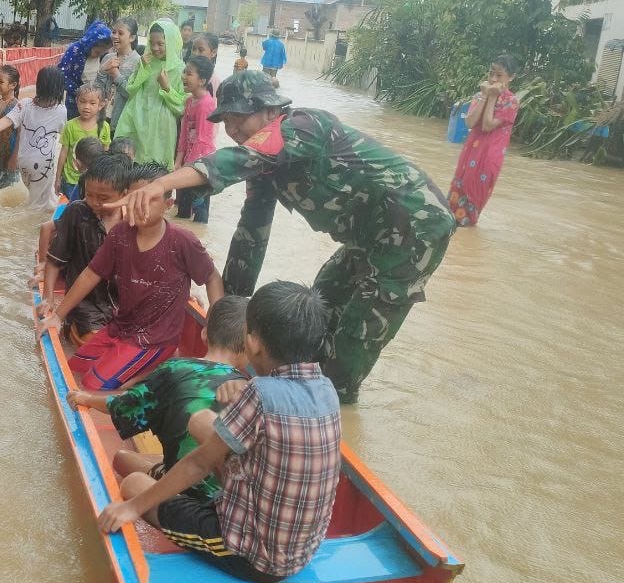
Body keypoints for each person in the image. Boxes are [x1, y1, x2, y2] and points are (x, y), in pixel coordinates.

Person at [109, 72, 455, 403]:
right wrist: (230, 316)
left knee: (357, 331)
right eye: (225, 123)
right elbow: (251, 236)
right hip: (366, 236)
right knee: (319, 302)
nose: (232, 131)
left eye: (239, 120)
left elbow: (235, 160)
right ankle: (301, 384)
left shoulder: (303, 126)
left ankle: (337, 399)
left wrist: (161, 183)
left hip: (414, 226)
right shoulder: (264, 168)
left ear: (271, 110)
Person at [96, 280, 341, 583]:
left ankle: (150, 480)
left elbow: (198, 464)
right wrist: (248, 388)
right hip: (302, 550)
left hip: (251, 556)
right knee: (201, 421)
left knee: (133, 484)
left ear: (252, 343)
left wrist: (132, 508)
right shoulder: (326, 390)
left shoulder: (261, 394)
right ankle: (157, 471)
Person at [46, 163, 224, 390]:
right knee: (75, 370)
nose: (139, 206)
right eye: (133, 198)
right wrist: (58, 316)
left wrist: (215, 328)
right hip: (121, 327)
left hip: (155, 339)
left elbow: (212, 277)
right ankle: (149, 370)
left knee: (91, 384)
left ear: (168, 205)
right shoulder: (120, 235)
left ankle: (157, 369)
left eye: (149, 199)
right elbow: (91, 274)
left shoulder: (183, 241)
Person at [66, 295, 251, 502]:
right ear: (251, 347)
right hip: (232, 498)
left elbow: (121, 405)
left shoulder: (175, 369)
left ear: (204, 334)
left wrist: (87, 399)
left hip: (188, 495)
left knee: (121, 460)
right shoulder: (251, 390)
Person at [42, 153, 131, 344]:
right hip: (84, 304)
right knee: (97, 346)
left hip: (123, 304)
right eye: (89, 195)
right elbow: (55, 260)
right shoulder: (76, 212)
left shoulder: (133, 221)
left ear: (124, 194)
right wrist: (48, 298)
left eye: (103, 198)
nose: (94, 202)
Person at [448, 54, 520, 227]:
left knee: (473, 197)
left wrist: (493, 97)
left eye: (499, 75)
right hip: (470, 152)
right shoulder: (479, 95)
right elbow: (470, 122)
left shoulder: (512, 101)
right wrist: (484, 96)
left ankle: (467, 233)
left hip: (489, 157)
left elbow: (488, 125)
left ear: (511, 77)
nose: (493, 79)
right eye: (491, 73)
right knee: (456, 195)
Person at [0, 66, 67, 212]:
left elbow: (8, 120)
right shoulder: (60, 110)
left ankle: (53, 207)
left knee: (39, 197)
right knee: (37, 206)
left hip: (23, 163)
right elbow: (67, 139)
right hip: (43, 166)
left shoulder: (25, 104)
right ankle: (26, 228)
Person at [114, 19, 187, 168]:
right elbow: (130, 90)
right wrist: (143, 69)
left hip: (161, 128)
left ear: (171, 42)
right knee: (130, 164)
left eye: (160, 44)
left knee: (156, 169)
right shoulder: (145, 61)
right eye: (152, 43)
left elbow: (182, 107)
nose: (155, 48)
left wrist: (167, 88)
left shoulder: (180, 69)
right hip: (135, 119)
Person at [174, 55, 217, 224]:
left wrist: (189, 166)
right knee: (182, 212)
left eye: (189, 73)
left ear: (202, 80)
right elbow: (184, 134)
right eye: (184, 72)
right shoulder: (190, 101)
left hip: (202, 166)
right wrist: (178, 161)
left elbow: (203, 140)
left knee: (200, 215)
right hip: (188, 162)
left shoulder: (206, 104)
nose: (184, 76)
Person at [57, 84, 111, 200]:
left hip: (93, 180)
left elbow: (106, 153)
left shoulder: (104, 127)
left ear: (100, 105)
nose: (86, 107)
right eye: (83, 102)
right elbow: (63, 153)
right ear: (76, 101)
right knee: (72, 208)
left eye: (92, 103)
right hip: (71, 180)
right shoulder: (70, 126)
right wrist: (57, 179)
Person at [57, 20, 113, 119]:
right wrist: (81, 92)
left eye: (102, 53)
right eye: (96, 52)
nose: (98, 55)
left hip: (95, 102)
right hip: (76, 103)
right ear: (91, 43)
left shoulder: (103, 56)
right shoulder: (74, 52)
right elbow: (63, 76)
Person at [94, 17, 141, 128]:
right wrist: (102, 71)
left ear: (132, 37)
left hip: (122, 124)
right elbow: (97, 89)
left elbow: (133, 96)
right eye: (114, 32)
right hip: (101, 119)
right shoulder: (107, 58)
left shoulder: (138, 62)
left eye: (120, 33)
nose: (115, 36)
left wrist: (116, 75)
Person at [0, 65, 21, 192]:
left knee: (10, 192)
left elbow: (20, 134)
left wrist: (15, 158)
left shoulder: (17, 106)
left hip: (11, 155)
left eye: (1, 82)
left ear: (13, 85)